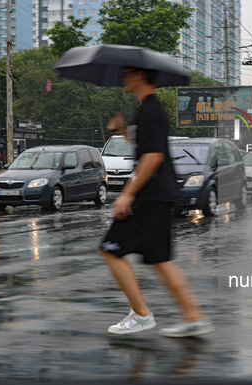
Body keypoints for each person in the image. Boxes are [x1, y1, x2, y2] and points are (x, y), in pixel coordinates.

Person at [98, 67, 213, 337]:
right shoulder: (148, 109)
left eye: (127, 74)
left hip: (151, 196)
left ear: (140, 75)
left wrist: (127, 194)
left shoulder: (150, 110)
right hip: (161, 194)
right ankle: (194, 317)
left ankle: (141, 315)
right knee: (159, 259)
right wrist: (123, 130)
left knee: (109, 249)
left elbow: (153, 157)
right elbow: (147, 146)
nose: (123, 77)